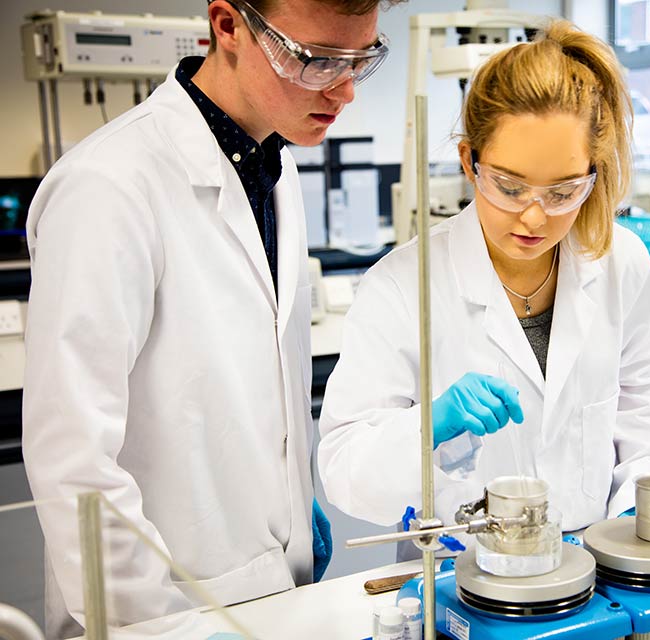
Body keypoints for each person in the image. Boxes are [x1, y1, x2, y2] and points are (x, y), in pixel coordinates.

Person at [22, 0, 403, 636]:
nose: (344, 90)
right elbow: (74, 463)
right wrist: (149, 623)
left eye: (360, 61)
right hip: (162, 613)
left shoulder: (271, 168)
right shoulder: (106, 188)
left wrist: (287, 502)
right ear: (227, 26)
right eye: (316, 61)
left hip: (271, 592)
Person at [317, 20, 650, 536]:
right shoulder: (402, 286)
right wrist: (430, 429)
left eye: (561, 193)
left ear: (593, 177)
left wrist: (634, 512)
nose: (533, 218)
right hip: (463, 580)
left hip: (594, 573)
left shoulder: (623, 263)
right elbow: (343, 471)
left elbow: (643, 419)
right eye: (509, 187)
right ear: (470, 161)